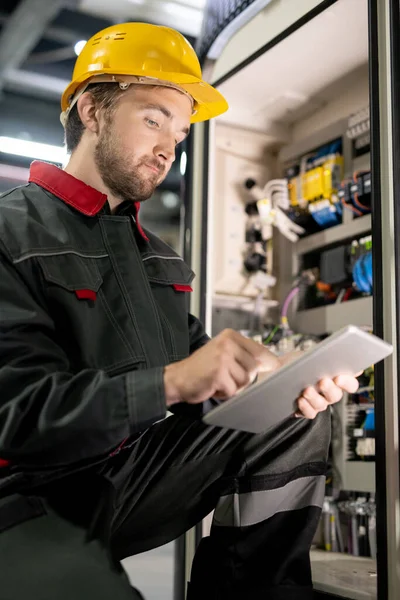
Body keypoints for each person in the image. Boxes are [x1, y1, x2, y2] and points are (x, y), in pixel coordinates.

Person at [0, 23, 359, 600]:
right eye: (153, 118)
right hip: (24, 496)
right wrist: (169, 383)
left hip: (123, 480)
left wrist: (276, 379)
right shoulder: (10, 230)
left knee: (290, 416)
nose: (170, 145)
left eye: (181, 130)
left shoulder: (157, 260)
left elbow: (202, 381)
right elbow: (16, 415)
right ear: (92, 109)